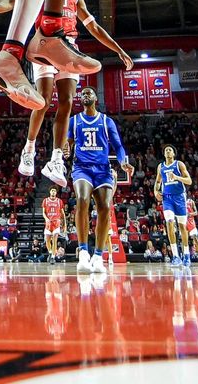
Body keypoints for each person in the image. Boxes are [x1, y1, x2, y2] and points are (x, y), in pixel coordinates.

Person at [0, 0, 132, 186]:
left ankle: (56, 158)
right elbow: (12, 2)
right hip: (45, 45)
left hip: (68, 47)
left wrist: (118, 49)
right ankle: (29, 149)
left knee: (66, 101)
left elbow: (95, 28)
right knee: (43, 100)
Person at [68, 87, 132, 274]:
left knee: (104, 206)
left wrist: (123, 162)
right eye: (83, 94)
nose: (85, 95)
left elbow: (118, 145)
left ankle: (98, 255)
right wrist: (65, 148)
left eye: (89, 93)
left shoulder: (106, 121)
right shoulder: (74, 121)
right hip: (82, 168)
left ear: (96, 97)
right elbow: (67, 142)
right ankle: (83, 252)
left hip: (103, 170)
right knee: (82, 200)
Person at [155, 144, 193, 266]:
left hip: (180, 197)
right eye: (166, 150)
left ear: (173, 154)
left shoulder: (179, 164)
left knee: (182, 227)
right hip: (167, 198)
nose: (167, 151)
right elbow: (157, 181)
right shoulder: (160, 166)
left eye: (170, 150)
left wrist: (177, 177)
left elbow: (189, 181)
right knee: (169, 222)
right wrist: (156, 191)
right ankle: (175, 256)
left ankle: (186, 254)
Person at [42, 186, 65, 263]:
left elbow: (63, 214)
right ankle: (50, 252)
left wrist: (65, 224)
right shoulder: (45, 201)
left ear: (56, 192)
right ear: (50, 192)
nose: (53, 192)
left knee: (55, 240)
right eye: (52, 191)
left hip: (56, 222)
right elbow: (43, 213)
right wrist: (46, 219)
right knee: (47, 241)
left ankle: (53, 257)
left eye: (54, 191)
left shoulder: (59, 201)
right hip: (48, 223)